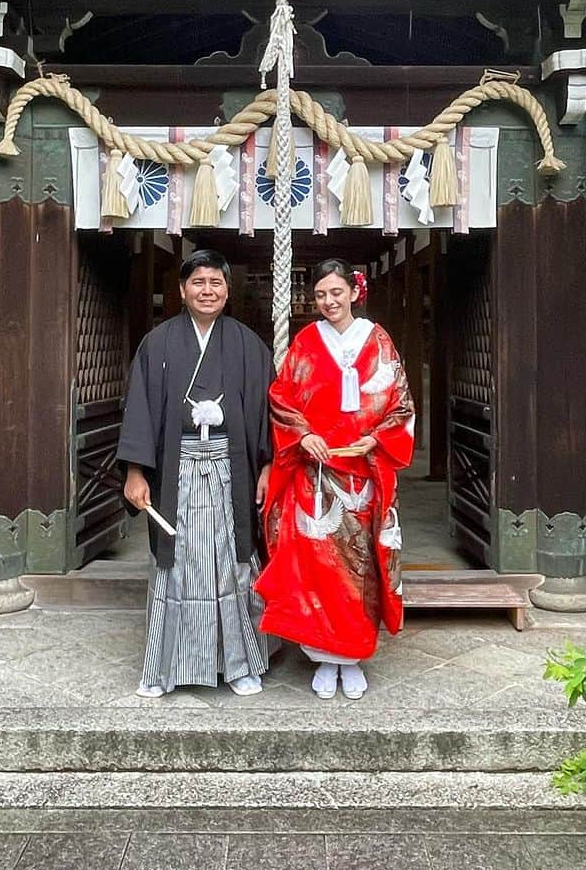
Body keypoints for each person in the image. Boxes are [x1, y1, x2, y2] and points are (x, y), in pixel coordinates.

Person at [118, 249, 274, 698]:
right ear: (182, 290)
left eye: (216, 283)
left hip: (231, 470)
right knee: (177, 564)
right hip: (177, 470)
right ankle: (164, 669)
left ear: (228, 290)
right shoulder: (159, 343)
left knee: (231, 563)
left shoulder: (248, 345)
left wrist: (265, 466)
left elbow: (267, 414)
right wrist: (134, 472)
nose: (207, 291)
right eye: (198, 282)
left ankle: (241, 663)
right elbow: (141, 413)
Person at [256, 258, 415, 700]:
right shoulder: (306, 342)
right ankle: (324, 657)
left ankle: (354, 655)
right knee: (317, 568)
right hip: (316, 475)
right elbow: (282, 398)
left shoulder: (378, 340)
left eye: (336, 293)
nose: (328, 302)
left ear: (353, 292)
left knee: (360, 570)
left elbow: (401, 403)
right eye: (321, 295)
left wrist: (376, 440)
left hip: (364, 475)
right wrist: (303, 436)